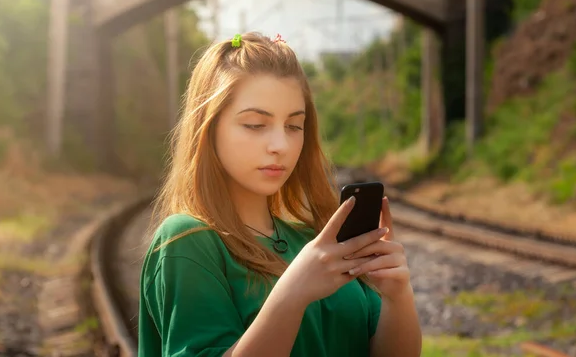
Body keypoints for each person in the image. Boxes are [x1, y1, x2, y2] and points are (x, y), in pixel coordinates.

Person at [137, 32, 422, 357]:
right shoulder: (187, 240)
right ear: (209, 127)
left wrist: (397, 295)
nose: (281, 146)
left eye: (293, 126)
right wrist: (292, 294)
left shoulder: (315, 240)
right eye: (256, 124)